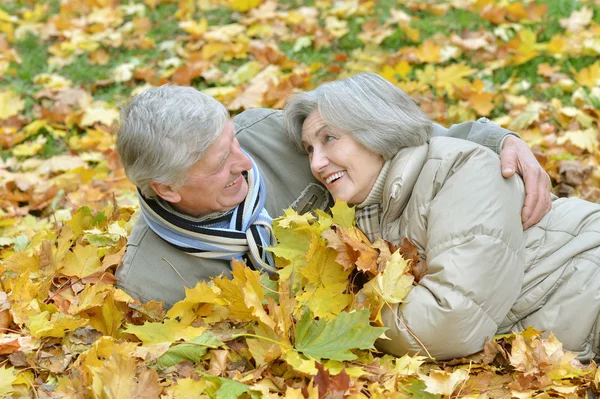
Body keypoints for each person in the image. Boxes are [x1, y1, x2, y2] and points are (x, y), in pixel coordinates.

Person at [115, 85, 552, 310]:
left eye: (233, 142)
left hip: (449, 267)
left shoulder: (267, 132)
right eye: (218, 164)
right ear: (166, 188)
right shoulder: (151, 281)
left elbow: (393, 137)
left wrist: (494, 139)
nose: (243, 163)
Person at [283, 72, 600, 362]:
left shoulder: (460, 170)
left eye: (329, 139)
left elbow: (448, 325)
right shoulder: (364, 216)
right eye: (310, 149)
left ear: (375, 130)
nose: (317, 163)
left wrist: (340, 312)